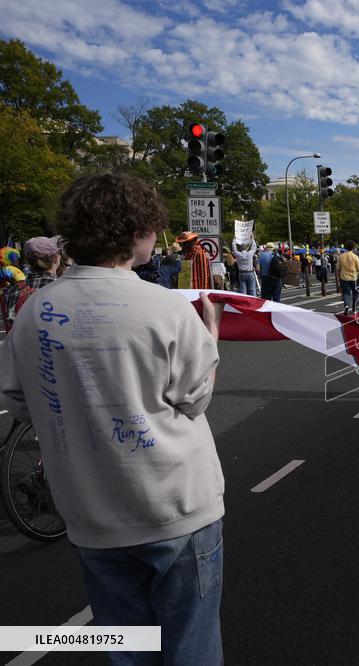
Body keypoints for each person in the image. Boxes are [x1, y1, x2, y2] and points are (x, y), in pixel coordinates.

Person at [0, 173, 226, 664]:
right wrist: (211, 339)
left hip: (90, 511)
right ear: (137, 232)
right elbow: (194, 398)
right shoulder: (164, 307)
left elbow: (19, 398)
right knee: (190, 643)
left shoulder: (36, 309)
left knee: (127, 646)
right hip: (175, 505)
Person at [337, 241, 359, 314]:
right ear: (353, 247)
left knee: (346, 293)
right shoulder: (355, 257)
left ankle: (347, 305)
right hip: (354, 277)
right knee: (355, 293)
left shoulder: (341, 256)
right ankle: (354, 309)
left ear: (346, 247)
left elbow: (338, 267)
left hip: (344, 277)